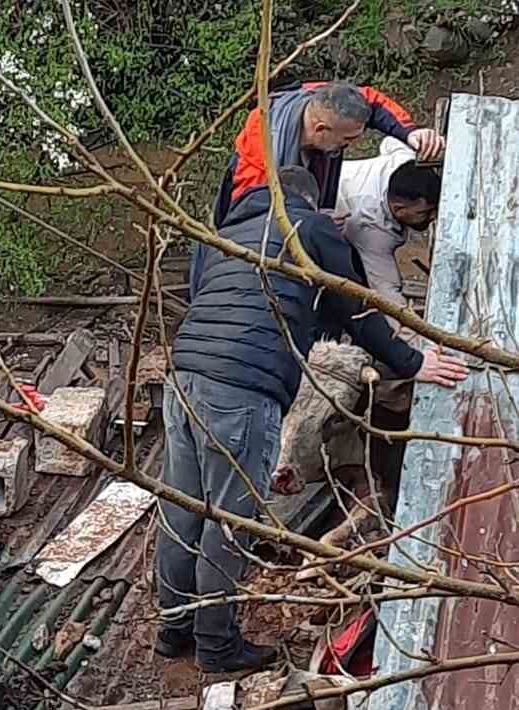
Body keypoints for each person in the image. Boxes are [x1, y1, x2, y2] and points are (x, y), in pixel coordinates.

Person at [156, 166, 467, 674]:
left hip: (185, 375)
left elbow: (212, 299)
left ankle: (173, 626)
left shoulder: (223, 235)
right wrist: (413, 362)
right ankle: (215, 645)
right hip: (243, 387)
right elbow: (357, 310)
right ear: (308, 201)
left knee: (183, 508)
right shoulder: (310, 229)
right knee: (230, 521)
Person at [189, 82, 443, 297]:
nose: (352, 144)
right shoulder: (260, 163)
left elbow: (370, 100)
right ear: (321, 130)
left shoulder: (320, 98)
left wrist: (409, 133)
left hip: (313, 203)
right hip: (256, 236)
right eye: (348, 140)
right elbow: (251, 224)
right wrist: (312, 220)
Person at [335, 136, 441, 310]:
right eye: (425, 212)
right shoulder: (371, 228)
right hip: (327, 213)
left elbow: (390, 141)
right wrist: (413, 334)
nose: (433, 217)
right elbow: (386, 290)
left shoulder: (404, 159)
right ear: (399, 209)